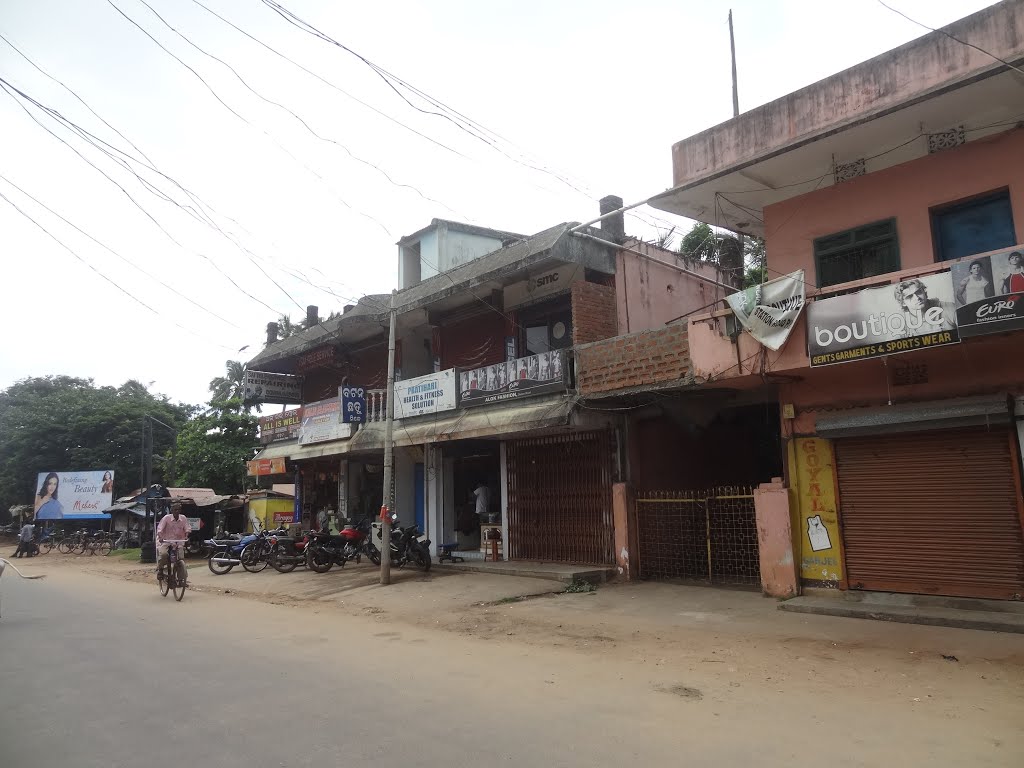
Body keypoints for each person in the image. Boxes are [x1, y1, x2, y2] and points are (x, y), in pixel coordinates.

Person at [156, 503, 192, 584]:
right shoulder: (166, 518)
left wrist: (186, 536)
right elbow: (160, 529)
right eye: (175, 510)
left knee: (181, 559)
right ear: (171, 510)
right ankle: (160, 570)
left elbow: (187, 528)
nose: (177, 511)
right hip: (166, 541)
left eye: (179, 509)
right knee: (164, 554)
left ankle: (181, 579)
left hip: (178, 542)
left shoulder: (183, 518)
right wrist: (161, 537)